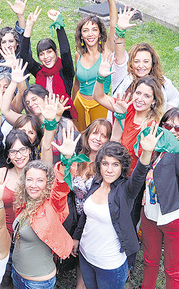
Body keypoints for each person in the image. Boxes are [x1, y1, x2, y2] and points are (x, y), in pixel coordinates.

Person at [72, 126, 162, 289]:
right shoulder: (96, 182)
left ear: (122, 167)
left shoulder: (125, 190)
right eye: (105, 163)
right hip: (86, 257)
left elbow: (139, 175)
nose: (109, 169)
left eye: (115, 164)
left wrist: (147, 152)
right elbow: (86, 217)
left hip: (109, 265)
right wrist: (76, 238)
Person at [140, 105, 179, 288]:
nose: (172, 130)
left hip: (176, 218)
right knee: (150, 262)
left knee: (172, 269)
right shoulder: (155, 147)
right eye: (167, 126)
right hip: (150, 216)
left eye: (178, 127)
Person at [51, 121, 111, 289]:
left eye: (104, 135)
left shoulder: (106, 165)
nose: (98, 138)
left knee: (85, 254)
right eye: (95, 133)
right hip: (72, 213)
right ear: (87, 135)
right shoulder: (77, 157)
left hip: (92, 218)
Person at [93, 54, 164, 169]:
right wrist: (101, 77)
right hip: (113, 170)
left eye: (146, 96)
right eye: (138, 93)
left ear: (153, 101)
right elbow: (98, 96)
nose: (140, 99)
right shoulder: (126, 108)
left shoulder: (153, 125)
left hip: (133, 178)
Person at [11, 160, 73, 288]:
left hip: (37, 283)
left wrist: (66, 162)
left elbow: (61, 189)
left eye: (40, 180)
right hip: (17, 274)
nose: (33, 185)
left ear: (48, 183)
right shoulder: (25, 203)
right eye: (29, 179)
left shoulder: (52, 206)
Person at [111, 8, 179, 111]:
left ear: (152, 63)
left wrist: (165, 118)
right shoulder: (123, 78)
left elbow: (174, 98)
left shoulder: (163, 83)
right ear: (130, 63)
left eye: (146, 61)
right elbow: (120, 56)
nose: (141, 66)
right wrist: (120, 32)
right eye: (136, 61)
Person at [72, 0, 118, 131]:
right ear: (81, 35)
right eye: (86, 30)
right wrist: (72, 108)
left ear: (100, 33)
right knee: (81, 143)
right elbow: (76, 84)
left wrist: (111, 0)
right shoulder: (79, 55)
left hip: (100, 106)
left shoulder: (107, 51)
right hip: (80, 104)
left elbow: (114, 26)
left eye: (94, 29)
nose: (90, 34)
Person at [19, 7, 76, 119]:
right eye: (42, 54)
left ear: (56, 52)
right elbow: (24, 55)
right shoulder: (40, 72)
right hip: (41, 118)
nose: (46, 57)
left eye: (49, 52)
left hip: (63, 118)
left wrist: (58, 25)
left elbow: (65, 52)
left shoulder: (65, 70)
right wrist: (29, 26)